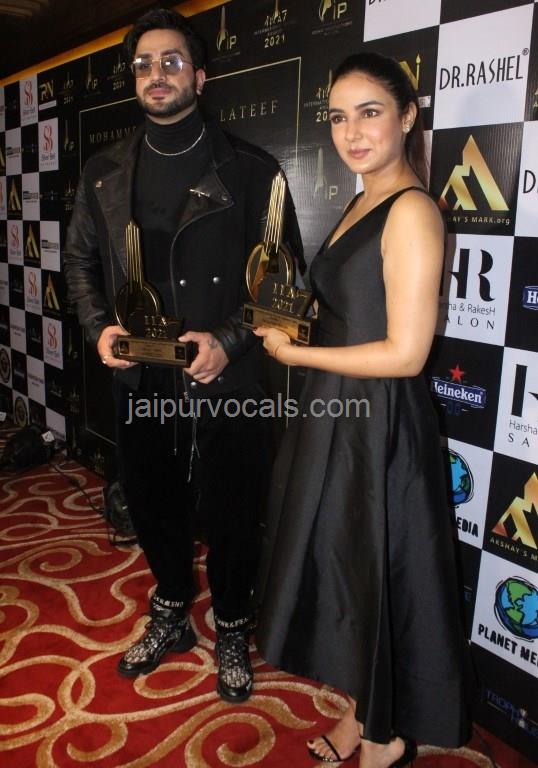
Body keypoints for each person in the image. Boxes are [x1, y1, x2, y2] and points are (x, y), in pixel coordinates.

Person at [64, 7, 302, 703]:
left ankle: (231, 624)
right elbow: (79, 262)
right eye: (143, 64)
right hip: (143, 379)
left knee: (234, 512)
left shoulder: (254, 171)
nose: (156, 73)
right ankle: (170, 607)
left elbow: (286, 289)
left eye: (171, 61)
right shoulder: (105, 172)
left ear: (199, 76)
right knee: (152, 503)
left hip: (229, 380)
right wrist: (97, 326)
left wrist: (228, 342)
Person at [254, 52, 470, 766]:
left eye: (369, 112)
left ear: (407, 116)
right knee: (351, 572)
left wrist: (298, 356)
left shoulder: (412, 211)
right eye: (338, 117)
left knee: (375, 575)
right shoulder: (361, 200)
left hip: (378, 423)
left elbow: (406, 353)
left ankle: (383, 739)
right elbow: (351, 311)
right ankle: (362, 713)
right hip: (337, 416)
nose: (351, 132)